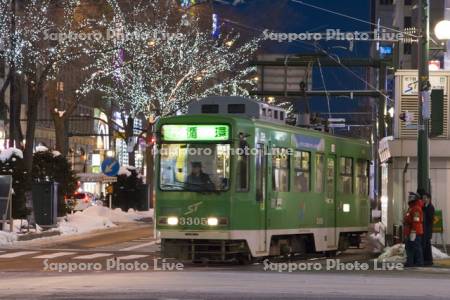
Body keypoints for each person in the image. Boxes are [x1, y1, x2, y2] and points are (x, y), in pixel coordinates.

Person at [403, 192, 424, 267]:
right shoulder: (411, 208)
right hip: (410, 231)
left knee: (416, 247)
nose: (409, 198)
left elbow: (416, 221)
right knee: (409, 247)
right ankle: (410, 262)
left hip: (414, 231)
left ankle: (419, 262)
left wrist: (413, 232)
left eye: (411, 197)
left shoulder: (416, 208)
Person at [420, 192, 435, 266]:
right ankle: (427, 260)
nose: (423, 199)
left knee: (426, 245)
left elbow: (431, 219)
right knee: (426, 245)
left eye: (424, 198)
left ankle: (428, 260)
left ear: (429, 199)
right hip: (423, 229)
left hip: (427, 229)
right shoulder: (423, 207)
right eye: (422, 198)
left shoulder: (431, 207)